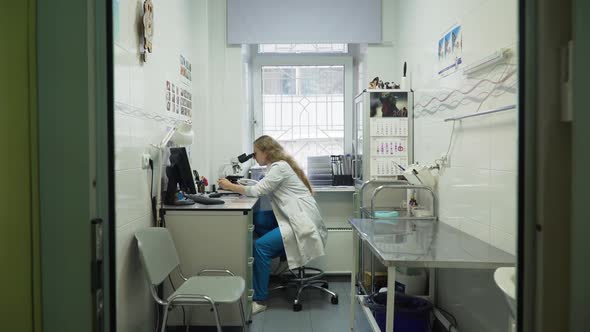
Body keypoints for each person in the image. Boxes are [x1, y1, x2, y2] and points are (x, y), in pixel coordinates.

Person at [217, 135, 328, 315]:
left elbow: (258, 190)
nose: (254, 157)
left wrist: (231, 186)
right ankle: (283, 249)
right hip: (291, 216)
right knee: (257, 219)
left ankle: (260, 300)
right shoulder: (275, 167)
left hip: (301, 221)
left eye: (256, 153)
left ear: (266, 152)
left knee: (260, 247)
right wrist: (240, 187)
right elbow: (261, 186)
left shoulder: (279, 167)